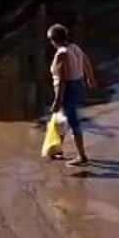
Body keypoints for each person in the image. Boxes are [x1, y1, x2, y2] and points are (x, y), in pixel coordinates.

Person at [47, 23, 97, 167]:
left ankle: (81, 156)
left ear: (53, 40)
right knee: (61, 119)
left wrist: (57, 99)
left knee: (72, 120)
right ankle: (57, 149)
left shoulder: (61, 54)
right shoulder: (75, 47)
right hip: (79, 84)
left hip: (69, 88)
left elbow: (63, 78)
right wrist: (90, 78)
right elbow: (86, 62)